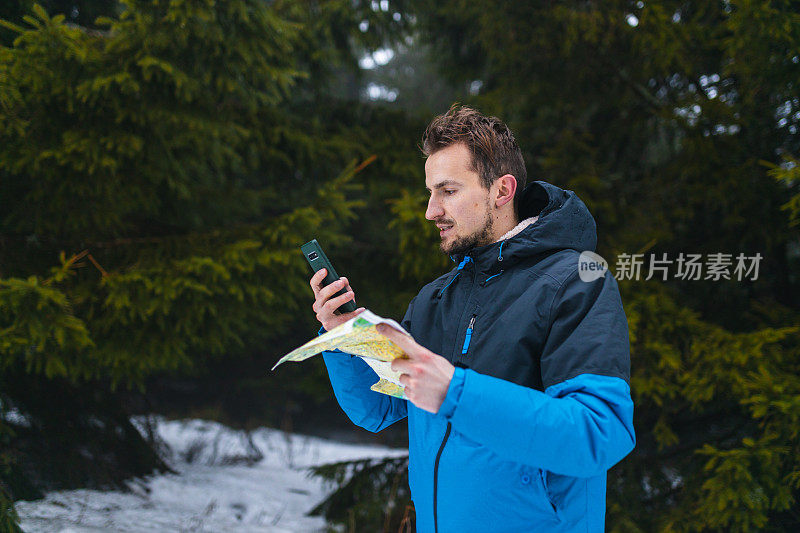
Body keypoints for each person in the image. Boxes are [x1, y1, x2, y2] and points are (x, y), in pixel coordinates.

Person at [310, 105, 635, 532]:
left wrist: (455, 393)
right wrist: (342, 336)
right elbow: (376, 408)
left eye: (447, 191)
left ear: (502, 191)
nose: (431, 211)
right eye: (430, 192)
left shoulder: (575, 281)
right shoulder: (435, 299)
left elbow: (598, 432)